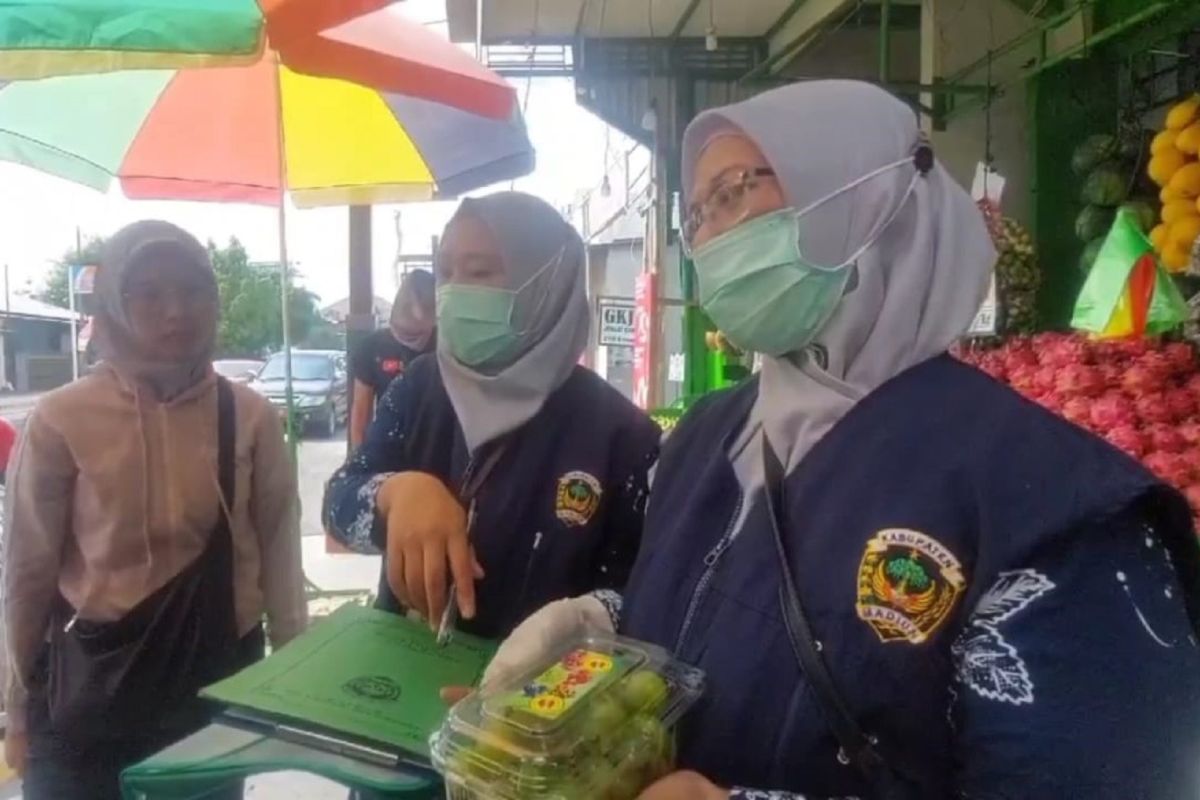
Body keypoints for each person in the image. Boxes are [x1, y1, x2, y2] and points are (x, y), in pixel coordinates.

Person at [471, 81, 1200, 799]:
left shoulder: (1058, 517)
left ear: (869, 198)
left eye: (735, 192)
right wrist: (602, 620)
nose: (712, 236)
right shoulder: (708, 435)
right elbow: (714, 610)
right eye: (697, 213)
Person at [2, 221, 307, 799]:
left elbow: (279, 551)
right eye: (148, 293)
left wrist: (295, 682)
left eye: (192, 290)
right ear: (114, 304)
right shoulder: (63, 419)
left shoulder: (250, 417)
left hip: (213, 687)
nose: (175, 311)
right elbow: (26, 572)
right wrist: (15, 708)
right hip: (87, 692)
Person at [323, 192, 660, 640]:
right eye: (446, 272)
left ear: (545, 284)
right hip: (400, 677)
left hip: (539, 699)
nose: (455, 289)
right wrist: (397, 493)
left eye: (479, 271)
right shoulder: (420, 387)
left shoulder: (621, 436)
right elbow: (338, 503)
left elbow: (648, 590)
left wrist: (586, 620)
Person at [348, 270, 436, 448]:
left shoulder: (446, 344)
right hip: (389, 447)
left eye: (419, 334)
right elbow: (360, 416)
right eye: (406, 333)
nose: (413, 341)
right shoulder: (371, 347)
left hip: (437, 446)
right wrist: (359, 465)